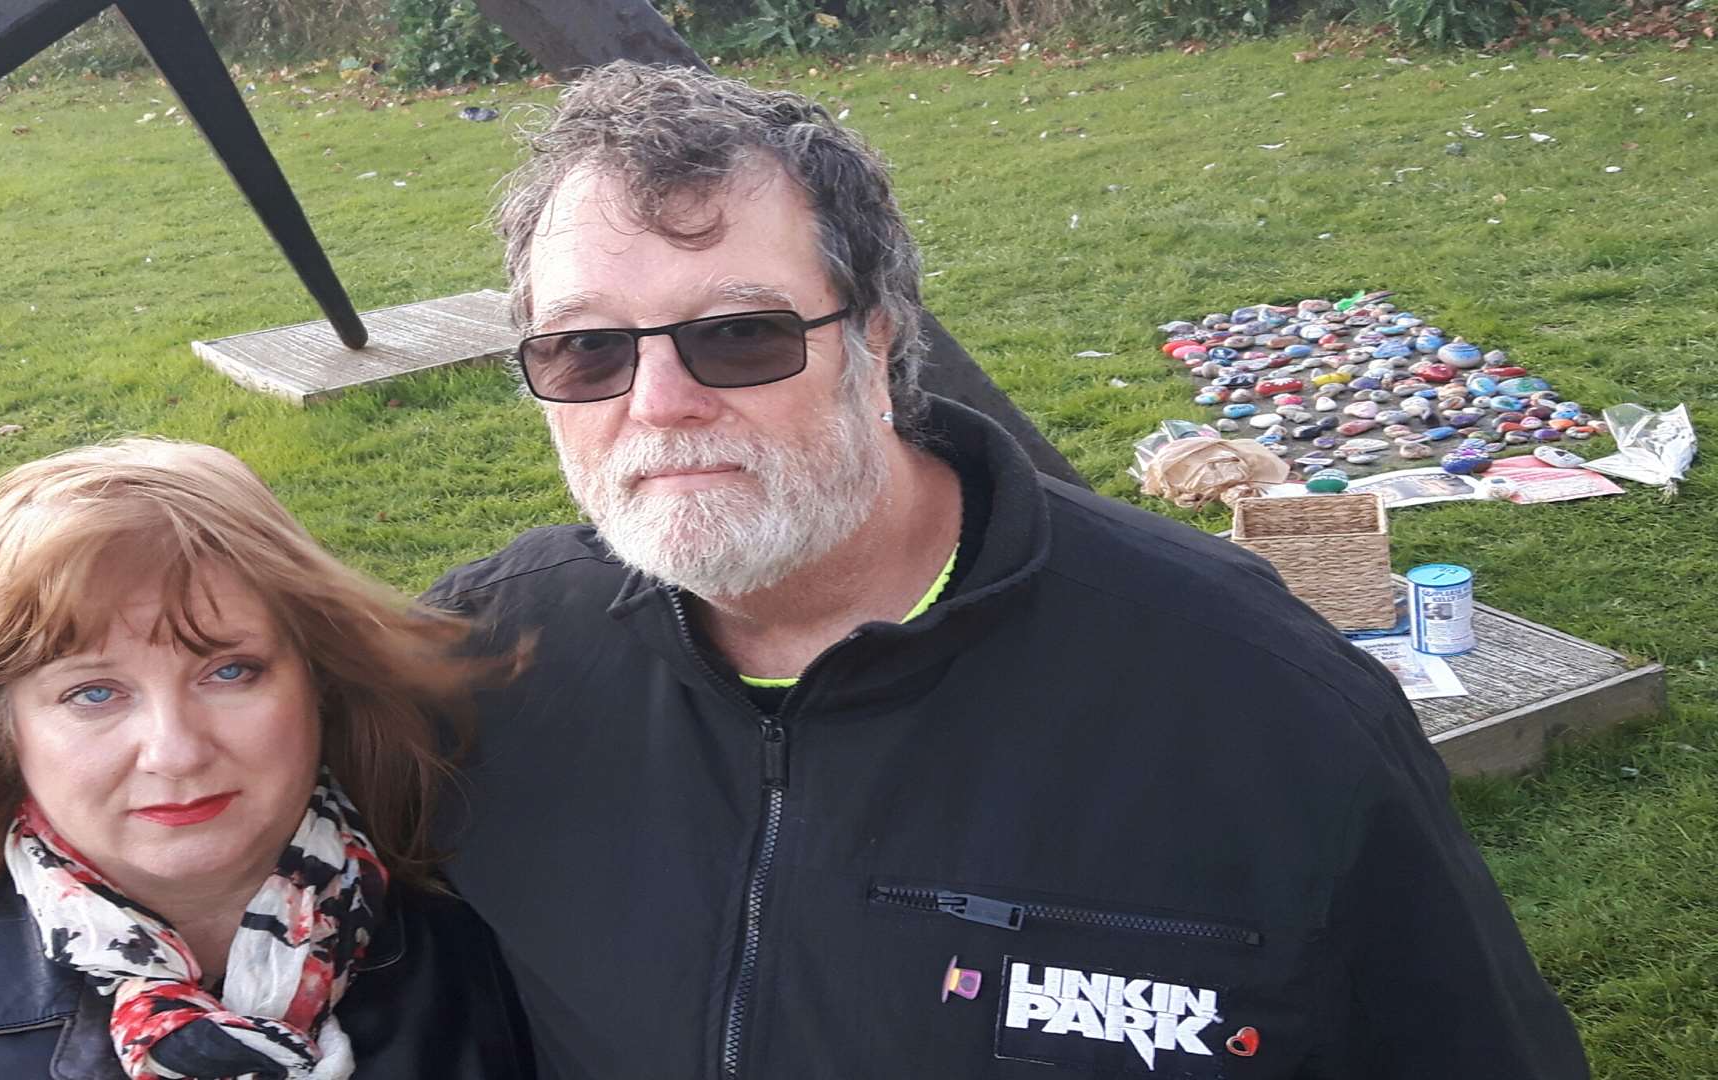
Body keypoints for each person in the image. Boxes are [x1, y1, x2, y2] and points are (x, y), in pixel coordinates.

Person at [411, 61, 1590, 1078]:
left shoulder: (1255, 701)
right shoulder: (481, 667)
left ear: (875, 342)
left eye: (739, 334)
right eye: (585, 350)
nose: (660, 405)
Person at [0, 439, 530, 1079]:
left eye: (230, 672)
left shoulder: (506, 936)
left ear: (319, 682)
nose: (174, 751)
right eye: (93, 693)